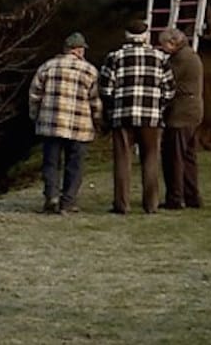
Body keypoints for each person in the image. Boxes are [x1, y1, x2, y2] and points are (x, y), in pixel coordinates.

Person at [100, 19, 175, 214]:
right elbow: (169, 89)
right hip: (151, 117)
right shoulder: (160, 58)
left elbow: (106, 89)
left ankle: (121, 204)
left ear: (126, 35)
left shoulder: (114, 57)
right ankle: (151, 204)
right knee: (150, 159)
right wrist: (159, 106)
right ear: (146, 36)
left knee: (122, 161)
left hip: (122, 116)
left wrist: (111, 109)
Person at [29, 32, 104, 214]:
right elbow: (94, 100)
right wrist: (97, 119)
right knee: (75, 164)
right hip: (79, 125)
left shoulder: (47, 67)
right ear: (78, 50)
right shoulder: (89, 70)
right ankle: (68, 201)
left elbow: (34, 95)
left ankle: (51, 197)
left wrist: (35, 115)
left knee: (51, 163)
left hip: (51, 124)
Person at [157, 28, 204, 210]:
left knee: (173, 157)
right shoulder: (191, 56)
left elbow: (166, 81)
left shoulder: (181, 59)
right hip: (193, 112)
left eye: (164, 45)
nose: (163, 49)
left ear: (173, 43)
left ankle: (175, 197)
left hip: (180, 115)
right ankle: (192, 196)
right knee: (188, 157)